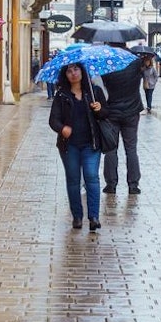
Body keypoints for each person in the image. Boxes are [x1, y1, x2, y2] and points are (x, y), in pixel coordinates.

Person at [48, 63, 108, 231]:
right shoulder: (61, 95)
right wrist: (62, 128)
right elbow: (53, 120)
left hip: (91, 144)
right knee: (73, 180)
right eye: (69, 70)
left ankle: (94, 217)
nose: (73, 73)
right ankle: (77, 216)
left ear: (82, 71)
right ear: (65, 75)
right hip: (70, 146)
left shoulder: (94, 91)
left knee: (92, 177)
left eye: (76, 69)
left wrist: (100, 109)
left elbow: (106, 114)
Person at [100, 53, 145, 195]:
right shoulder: (136, 62)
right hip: (132, 112)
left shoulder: (107, 63)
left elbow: (102, 85)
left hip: (111, 111)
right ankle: (133, 185)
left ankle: (111, 184)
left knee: (111, 149)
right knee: (131, 149)